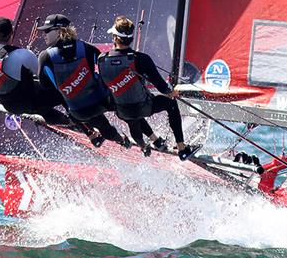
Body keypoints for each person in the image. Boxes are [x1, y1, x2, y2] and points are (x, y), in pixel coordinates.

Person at [98, 16, 196, 160]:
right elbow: (162, 87)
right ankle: (182, 148)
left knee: (131, 110)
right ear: (131, 38)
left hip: (121, 111)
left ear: (114, 37)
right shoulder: (141, 59)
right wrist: (171, 92)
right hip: (144, 107)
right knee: (171, 104)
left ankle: (155, 141)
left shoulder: (101, 59)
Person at [37, 13, 130, 148]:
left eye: (47, 31)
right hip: (102, 101)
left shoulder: (45, 57)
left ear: (59, 31)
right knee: (118, 103)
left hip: (80, 111)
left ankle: (116, 139)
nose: (43, 34)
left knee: (66, 98)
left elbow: (45, 85)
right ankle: (145, 133)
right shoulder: (86, 48)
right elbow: (108, 68)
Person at [0, 17, 69, 125]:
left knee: (35, 99)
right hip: (28, 103)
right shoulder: (21, 54)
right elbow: (46, 77)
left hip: (9, 105)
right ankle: (79, 118)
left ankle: (59, 119)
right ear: (12, 33)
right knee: (63, 89)